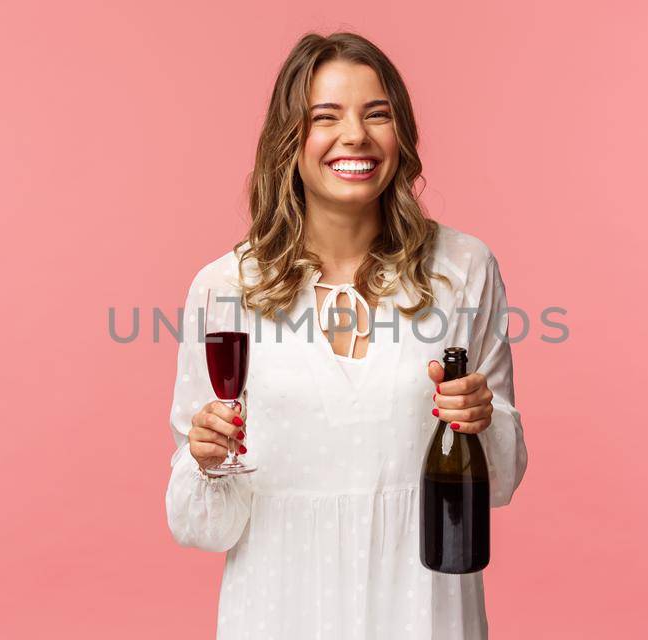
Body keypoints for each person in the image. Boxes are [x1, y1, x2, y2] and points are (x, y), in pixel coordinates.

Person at [164, 32, 528, 639]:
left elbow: (503, 482)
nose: (355, 135)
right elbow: (201, 524)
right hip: (279, 602)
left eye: (376, 113)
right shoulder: (225, 287)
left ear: (401, 134)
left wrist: (483, 420)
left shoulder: (463, 269)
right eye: (325, 117)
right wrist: (204, 460)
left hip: (423, 601)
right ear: (290, 141)